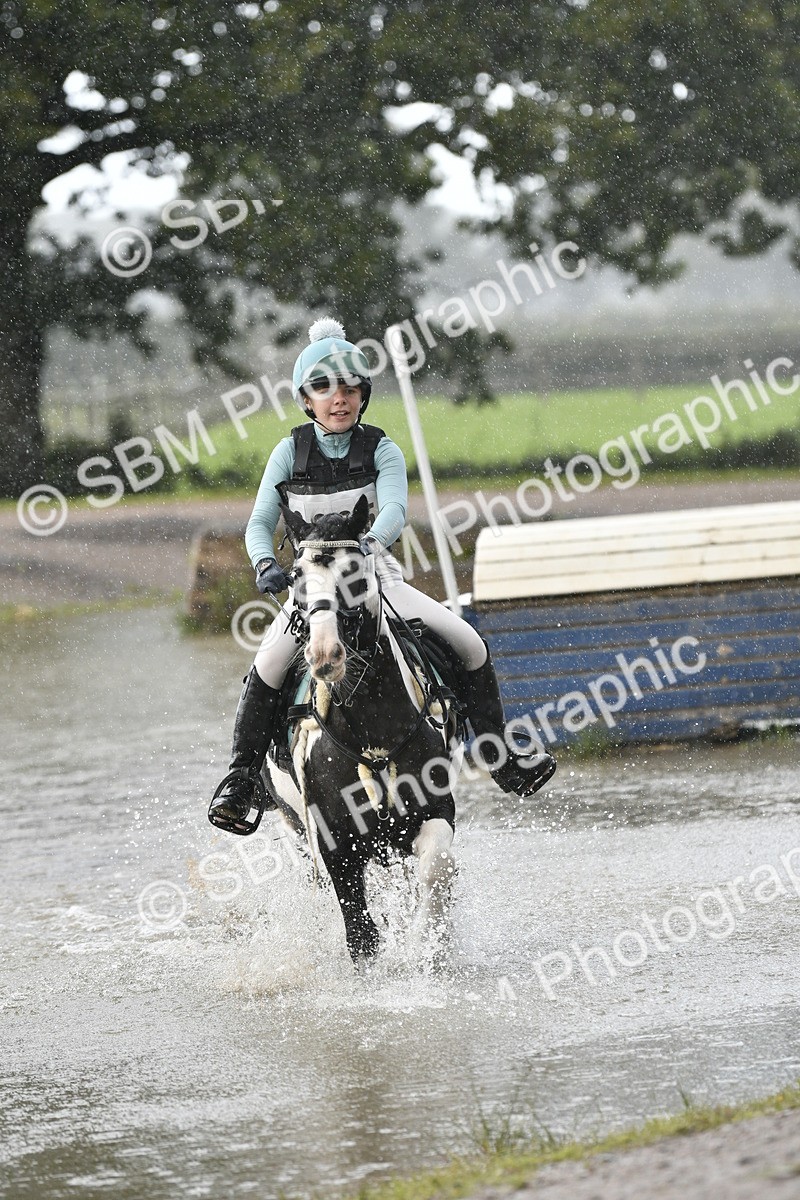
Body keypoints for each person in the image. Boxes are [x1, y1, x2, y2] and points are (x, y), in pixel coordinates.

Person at [208, 318, 555, 832]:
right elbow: (260, 524)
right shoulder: (287, 452)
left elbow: (393, 509)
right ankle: (242, 781)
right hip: (312, 586)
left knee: (470, 643)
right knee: (267, 667)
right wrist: (266, 564)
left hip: (375, 577)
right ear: (306, 399)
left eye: (349, 388)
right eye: (323, 388)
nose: (338, 398)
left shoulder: (382, 450)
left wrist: (366, 546)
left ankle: (497, 752)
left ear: (363, 395)